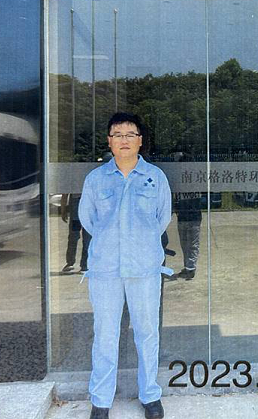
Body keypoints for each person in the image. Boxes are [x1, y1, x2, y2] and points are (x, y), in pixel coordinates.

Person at [79, 112, 172, 419]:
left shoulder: (155, 177)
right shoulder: (96, 179)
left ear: (140, 141)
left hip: (144, 268)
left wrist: (138, 246)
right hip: (105, 269)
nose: (124, 140)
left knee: (147, 332)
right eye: (117, 135)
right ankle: (101, 400)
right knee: (105, 334)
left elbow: (161, 218)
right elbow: (88, 219)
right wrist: (112, 244)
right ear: (109, 141)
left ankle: (150, 395)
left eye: (130, 134)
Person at [61, 193, 90, 273]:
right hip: (83, 204)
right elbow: (65, 193)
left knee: (80, 236)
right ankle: (82, 265)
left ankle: (77, 264)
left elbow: (65, 194)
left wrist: (63, 209)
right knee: (82, 236)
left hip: (81, 204)